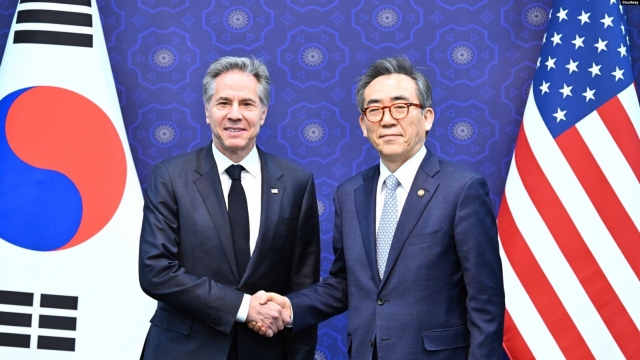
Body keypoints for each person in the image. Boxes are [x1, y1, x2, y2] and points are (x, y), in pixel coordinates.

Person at [251, 56, 505, 359]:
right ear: (363, 124)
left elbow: (485, 300)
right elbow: (346, 282)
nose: (387, 120)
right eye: (374, 110)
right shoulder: (350, 193)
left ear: (427, 117)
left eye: (400, 107)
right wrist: (290, 307)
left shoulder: (462, 189)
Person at [138, 56, 320, 359]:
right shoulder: (171, 176)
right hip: (182, 350)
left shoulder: (296, 183)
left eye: (247, 104)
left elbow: (303, 290)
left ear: (263, 113)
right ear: (207, 111)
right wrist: (243, 306)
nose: (235, 114)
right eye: (223, 103)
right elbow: (156, 270)